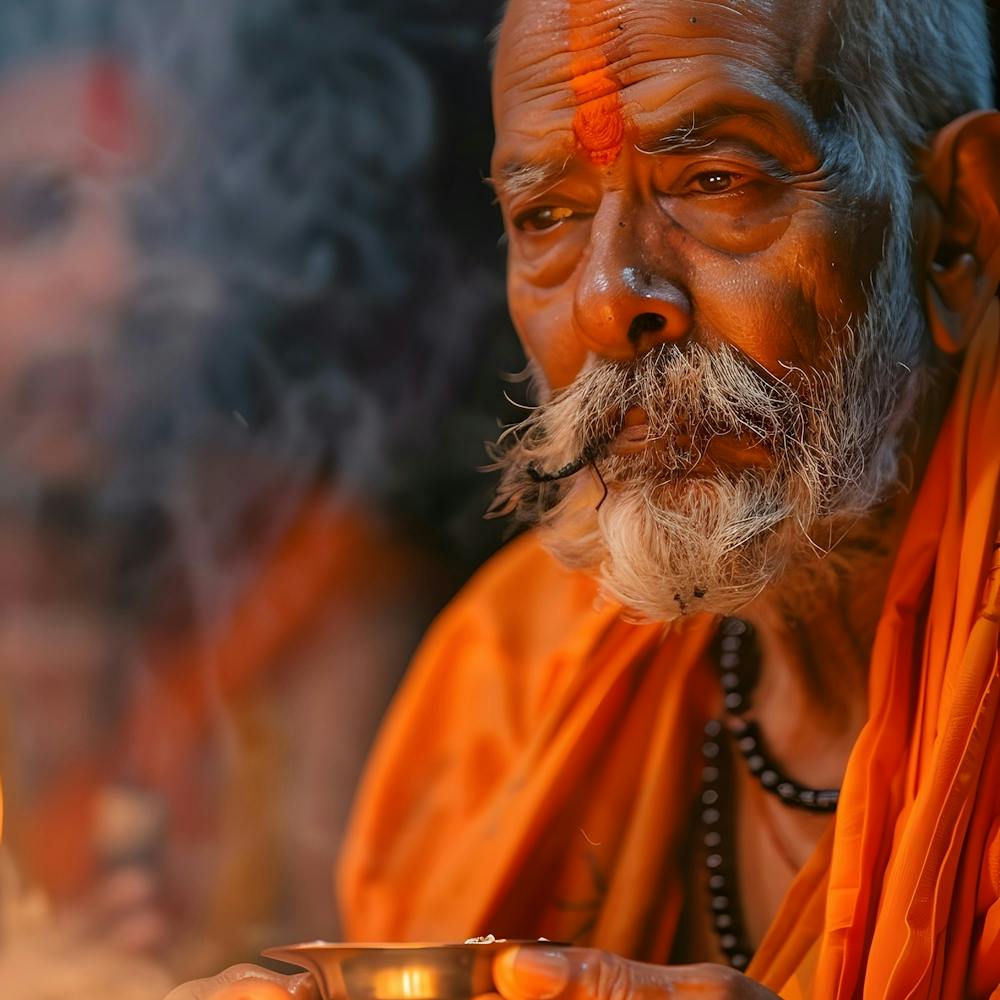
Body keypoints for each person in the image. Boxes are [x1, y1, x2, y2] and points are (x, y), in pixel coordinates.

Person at [178, 0, 1000, 997]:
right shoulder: (505, 681)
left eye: (715, 181)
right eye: (549, 217)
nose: (610, 302)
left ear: (958, 228)